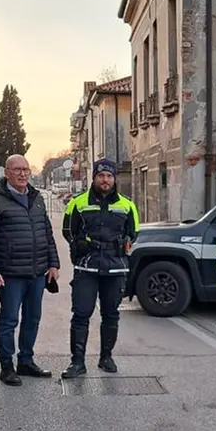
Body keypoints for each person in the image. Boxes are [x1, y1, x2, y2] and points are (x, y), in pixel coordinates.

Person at [0, 155, 60, 386]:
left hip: (37, 272)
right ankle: (6, 366)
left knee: (32, 318)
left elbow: (47, 234)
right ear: (7, 172)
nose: (23, 174)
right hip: (10, 274)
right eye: (17, 170)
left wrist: (54, 263)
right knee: (9, 320)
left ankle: (26, 361)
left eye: (26, 170)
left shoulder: (37, 199)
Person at [61, 158, 139, 378]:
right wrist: (80, 244)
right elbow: (68, 230)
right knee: (80, 315)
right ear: (94, 177)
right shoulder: (77, 202)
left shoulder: (127, 204)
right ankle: (77, 363)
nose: (105, 180)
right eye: (101, 176)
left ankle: (106, 357)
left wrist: (124, 242)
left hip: (115, 269)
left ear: (114, 179)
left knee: (111, 314)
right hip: (87, 268)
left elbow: (134, 232)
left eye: (109, 176)